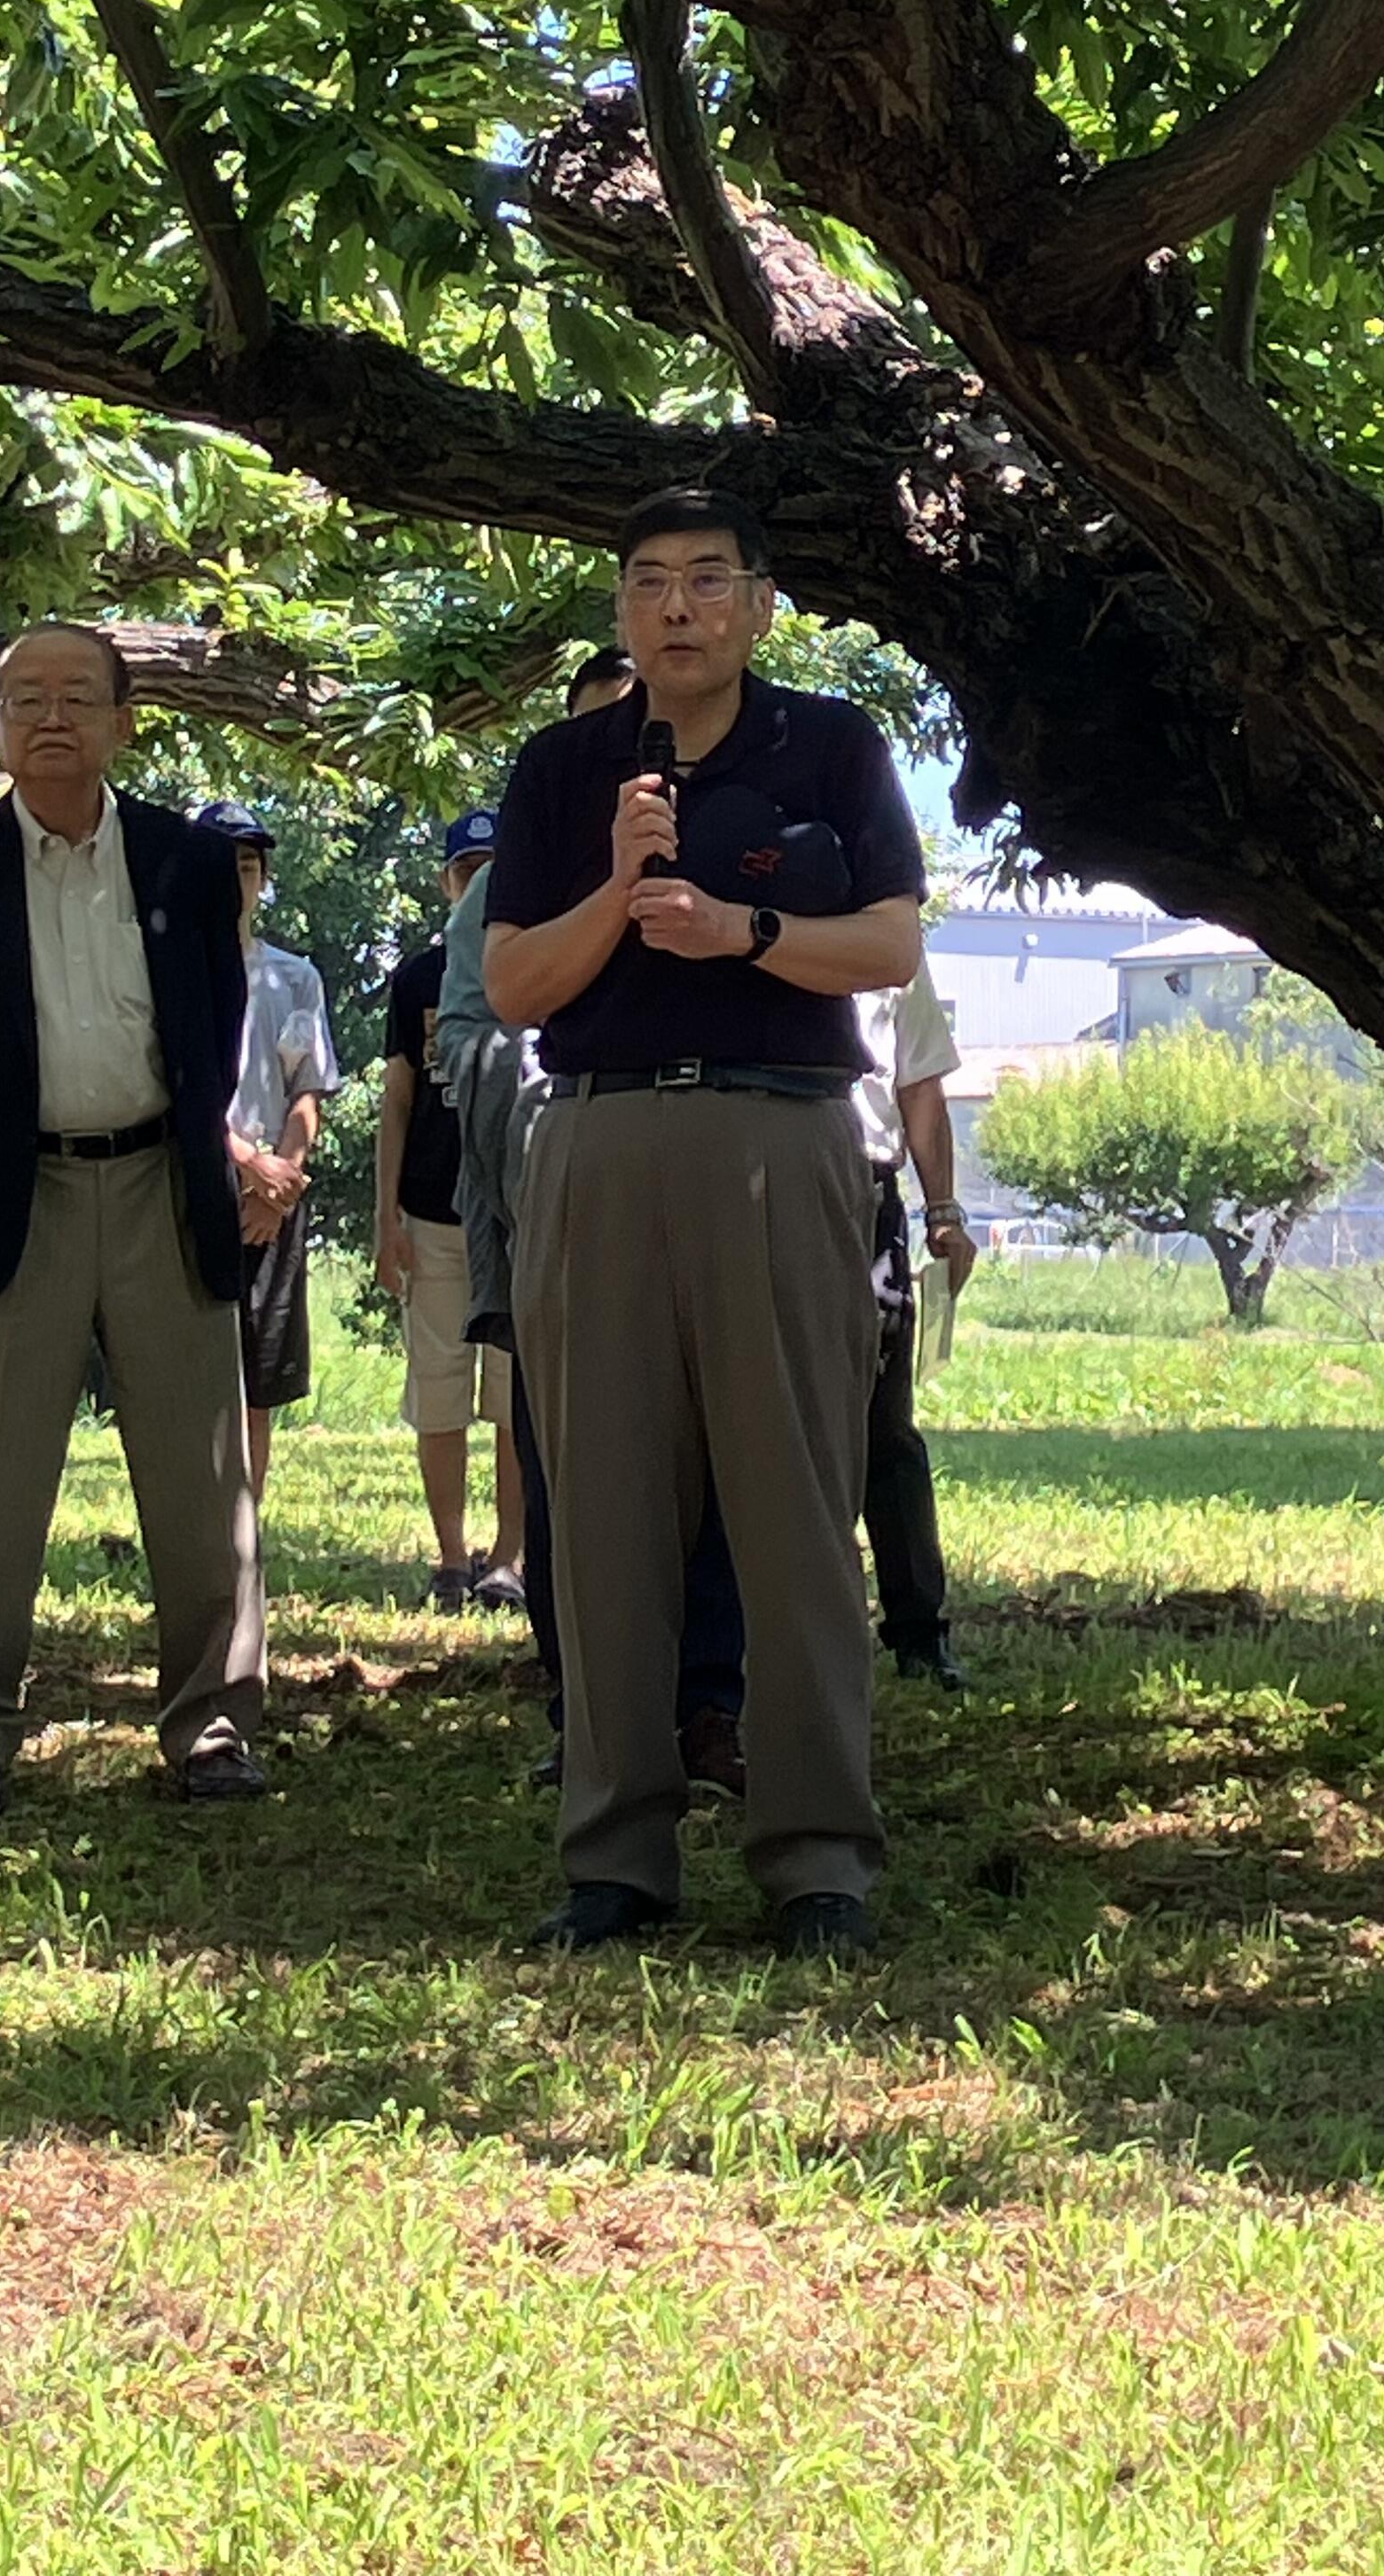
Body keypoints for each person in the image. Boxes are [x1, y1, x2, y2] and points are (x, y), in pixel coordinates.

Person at [486, 487, 925, 1960]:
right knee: (599, 1508)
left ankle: (815, 1859)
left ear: (756, 602)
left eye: (704, 581)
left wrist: (745, 933)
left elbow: (891, 941)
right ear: (620, 609)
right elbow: (513, 988)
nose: (675, 607)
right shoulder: (560, 768)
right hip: (597, 1136)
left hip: (779, 1130)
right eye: (646, 583)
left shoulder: (835, 746)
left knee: (796, 1502)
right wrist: (622, 889)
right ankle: (613, 1855)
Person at [0, 622, 262, 1818]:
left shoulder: (185, 863)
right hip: (11, 1193)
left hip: (159, 1181)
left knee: (203, 1472)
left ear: (122, 719)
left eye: (77, 697)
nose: (52, 717)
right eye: (24, 698)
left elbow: (219, 1021)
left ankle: (213, 1724)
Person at [434, 697, 748, 1791]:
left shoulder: (740, 844)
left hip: (717, 1195)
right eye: (610, 737)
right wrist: (557, 1111)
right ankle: (588, 1717)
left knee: (723, 1462)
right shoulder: (509, 885)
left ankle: (715, 1710)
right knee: (573, 1472)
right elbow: (470, 1037)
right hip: (556, 1203)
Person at [378, 811, 521, 1609]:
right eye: (467, 870)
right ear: (446, 881)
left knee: (510, 1395)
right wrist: (384, 1216)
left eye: (493, 867)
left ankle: (509, 1557)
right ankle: (450, 1553)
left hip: (510, 1212)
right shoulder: (418, 978)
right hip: (431, 1214)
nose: (479, 882)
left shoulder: (534, 964)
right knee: (438, 1390)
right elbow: (396, 1102)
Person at [199, 801, 341, 1506]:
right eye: (222, 866)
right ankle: (194, 1520)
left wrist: (277, 1184)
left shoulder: (295, 977)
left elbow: (308, 1089)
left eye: (249, 867)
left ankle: (246, 1521)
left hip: (273, 1200)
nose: (237, 881)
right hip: (192, 1183)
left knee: (260, 1371)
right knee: (191, 1368)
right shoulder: (169, 976)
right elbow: (174, 1092)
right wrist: (245, 1163)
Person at [854, 963, 975, 1690]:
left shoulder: (889, 947)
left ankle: (919, 1634)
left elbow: (920, 1083)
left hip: (866, 1193)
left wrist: (944, 1211)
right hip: (759, 1185)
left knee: (885, 1429)